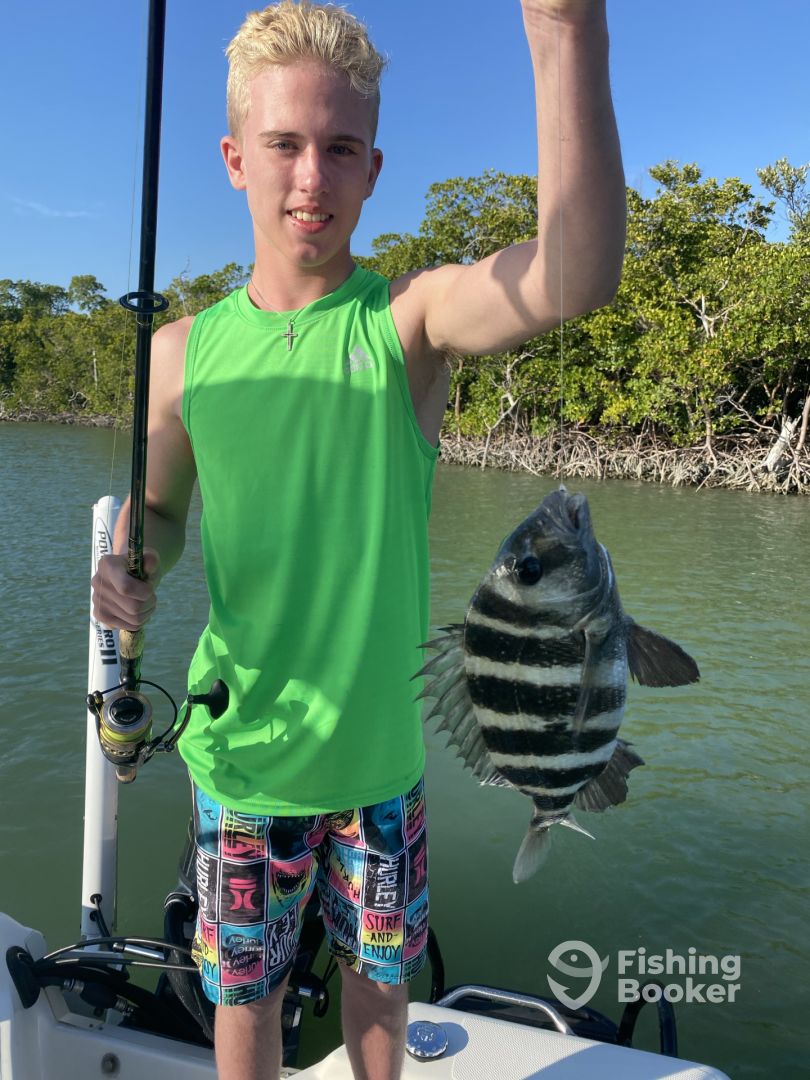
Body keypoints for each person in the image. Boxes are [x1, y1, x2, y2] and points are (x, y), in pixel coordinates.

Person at [92, 1, 625, 1078]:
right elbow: (160, 511)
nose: (311, 176)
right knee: (245, 996)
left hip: (380, 764)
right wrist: (133, 561)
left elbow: (574, 272)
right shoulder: (181, 355)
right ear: (235, 159)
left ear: (374, 169)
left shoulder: (408, 324)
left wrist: (567, 29)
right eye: (284, 143)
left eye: (341, 148)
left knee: (381, 988)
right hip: (240, 760)